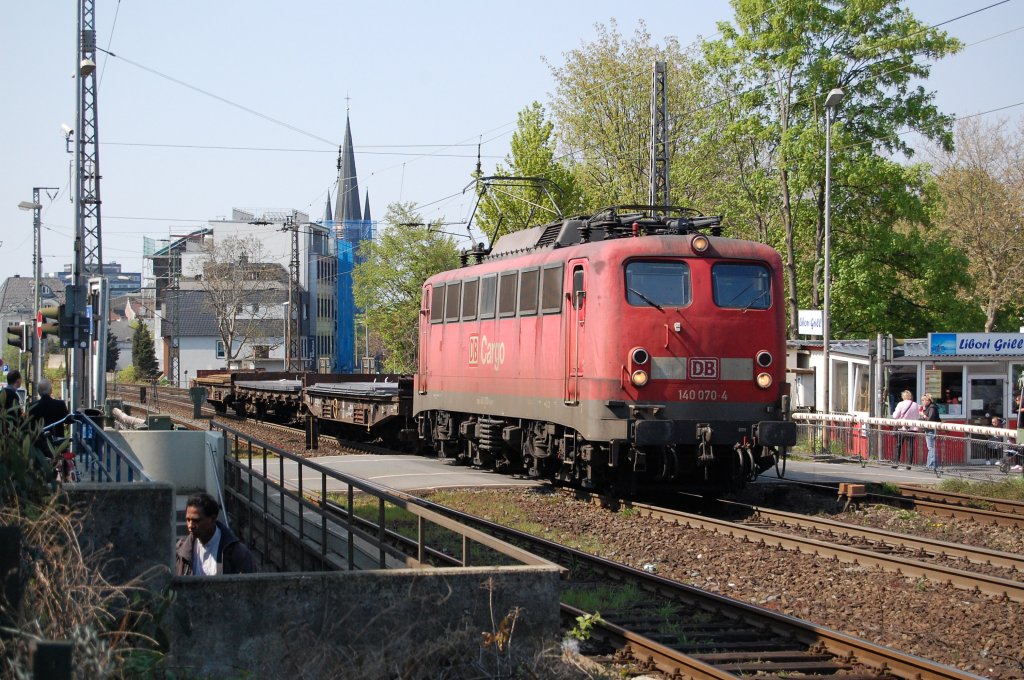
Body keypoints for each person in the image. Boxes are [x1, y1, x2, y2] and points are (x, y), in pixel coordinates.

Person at [175, 493, 256, 576]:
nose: (190, 525)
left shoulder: (238, 553)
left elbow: (249, 586)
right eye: (188, 520)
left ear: (213, 519)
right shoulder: (181, 550)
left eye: (196, 521)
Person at [27, 379, 70, 458]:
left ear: (39, 392)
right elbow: (68, 420)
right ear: (50, 390)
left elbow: (30, 424)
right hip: (57, 442)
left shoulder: (32, 406)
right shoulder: (60, 404)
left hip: (39, 444)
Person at [892, 389, 920, 469]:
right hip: (912, 428)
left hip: (902, 428)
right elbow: (917, 417)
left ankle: (896, 463)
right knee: (910, 446)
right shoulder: (915, 405)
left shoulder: (901, 404)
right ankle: (909, 465)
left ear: (903, 396)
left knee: (898, 445)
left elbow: (895, 416)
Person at [919, 393, 941, 470]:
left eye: (924, 400)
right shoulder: (929, 407)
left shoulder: (932, 407)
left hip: (931, 429)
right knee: (930, 447)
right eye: (922, 400)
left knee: (931, 448)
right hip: (928, 429)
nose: (922, 401)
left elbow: (930, 419)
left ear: (928, 400)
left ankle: (932, 465)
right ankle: (930, 465)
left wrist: (923, 415)